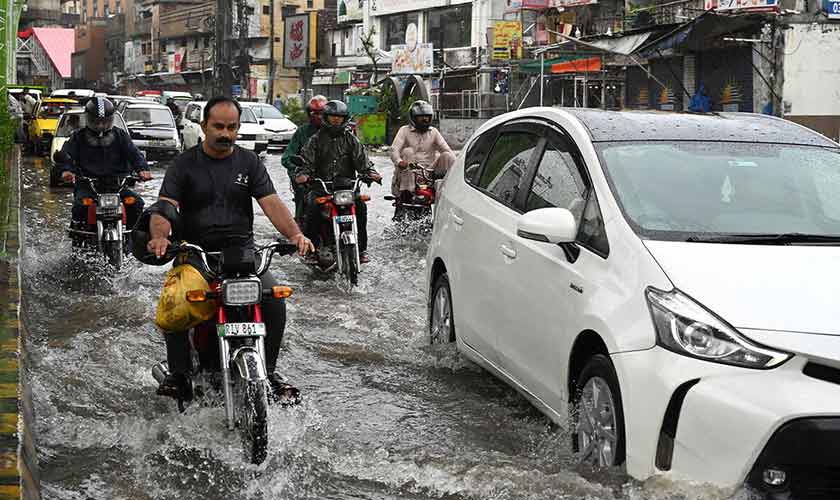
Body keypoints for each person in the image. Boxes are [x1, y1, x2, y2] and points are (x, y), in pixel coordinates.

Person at [145, 96, 314, 401]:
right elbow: (164, 208)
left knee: (274, 301)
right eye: (218, 126)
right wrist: (160, 236)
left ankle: (270, 371)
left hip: (242, 255)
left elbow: (272, 204)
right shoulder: (183, 164)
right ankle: (180, 374)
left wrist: (296, 235)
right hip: (195, 256)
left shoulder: (249, 162)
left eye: (232, 127)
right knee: (176, 302)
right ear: (204, 126)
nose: (225, 133)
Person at [295, 100, 382, 264]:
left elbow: (362, 161)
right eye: (333, 117)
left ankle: (362, 249)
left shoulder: (351, 139)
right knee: (312, 207)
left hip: (346, 188)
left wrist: (371, 173)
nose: (336, 120)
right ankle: (311, 250)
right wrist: (303, 175)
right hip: (322, 187)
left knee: (361, 209)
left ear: (344, 119)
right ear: (326, 118)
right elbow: (306, 162)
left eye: (339, 117)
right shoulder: (315, 140)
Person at [59, 97, 151, 232]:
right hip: (88, 186)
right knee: (80, 207)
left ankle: (133, 240)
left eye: (105, 122)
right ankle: (78, 243)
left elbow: (134, 153)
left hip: (117, 186)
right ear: (88, 119)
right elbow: (66, 156)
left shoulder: (121, 136)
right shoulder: (77, 137)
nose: (101, 126)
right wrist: (66, 171)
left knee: (136, 203)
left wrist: (142, 169)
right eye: (96, 122)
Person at [389, 100, 455, 200]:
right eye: (421, 117)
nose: (425, 119)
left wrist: (459, 165)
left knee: (447, 155)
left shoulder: (434, 132)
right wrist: (399, 161)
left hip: (429, 172)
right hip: (408, 171)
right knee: (408, 151)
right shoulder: (404, 130)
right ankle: (408, 191)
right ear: (413, 118)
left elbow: (447, 150)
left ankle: (450, 190)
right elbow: (394, 150)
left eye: (427, 116)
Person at [281, 95, 327, 221]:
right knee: (302, 191)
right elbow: (287, 158)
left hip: (329, 175)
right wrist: (299, 170)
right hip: (306, 174)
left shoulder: (340, 132)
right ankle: (300, 221)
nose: (319, 117)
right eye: (315, 113)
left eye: (322, 113)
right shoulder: (302, 132)